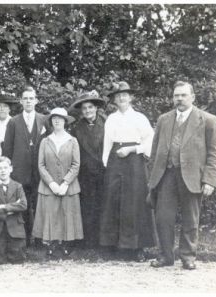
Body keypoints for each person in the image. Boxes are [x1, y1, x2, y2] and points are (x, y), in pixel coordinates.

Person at [148, 81, 216, 270]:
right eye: (176, 95)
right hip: (166, 175)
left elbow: (215, 153)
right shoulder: (164, 119)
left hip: (193, 176)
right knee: (163, 217)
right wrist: (152, 177)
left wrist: (210, 180)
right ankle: (165, 256)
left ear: (193, 97)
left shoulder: (207, 119)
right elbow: (155, 151)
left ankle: (188, 257)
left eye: (183, 95)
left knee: (191, 218)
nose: (179, 99)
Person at [99, 81, 155, 261]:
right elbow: (107, 144)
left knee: (135, 202)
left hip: (134, 162)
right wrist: (107, 164)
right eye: (118, 95)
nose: (121, 98)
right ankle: (114, 246)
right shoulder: (111, 119)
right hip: (115, 162)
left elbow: (150, 142)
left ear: (131, 97)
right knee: (113, 201)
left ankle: (137, 247)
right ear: (114, 99)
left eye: (125, 94)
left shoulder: (140, 118)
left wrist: (132, 150)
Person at [33, 107, 83, 256]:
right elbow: (41, 165)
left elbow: (76, 164)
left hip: (69, 186)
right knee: (51, 214)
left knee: (66, 214)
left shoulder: (72, 141)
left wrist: (66, 182)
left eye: (60, 118)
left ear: (65, 122)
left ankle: (66, 244)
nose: (57, 121)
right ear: (51, 122)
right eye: (54, 118)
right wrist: (52, 183)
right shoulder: (45, 141)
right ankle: (51, 244)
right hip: (49, 186)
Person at [3, 86, 48, 246]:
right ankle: (23, 238)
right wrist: (9, 170)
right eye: (25, 98)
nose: (28, 101)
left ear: (36, 100)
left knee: (39, 203)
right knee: (22, 204)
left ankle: (40, 238)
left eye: (31, 98)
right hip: (19, 171)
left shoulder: (44, 120)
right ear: (21, 101)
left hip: (39, 170)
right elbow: (7, 148)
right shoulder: (13, 122)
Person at [69, 90, 106, 248]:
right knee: (88, 206)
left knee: (104, 206)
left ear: (96, 108)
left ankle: (104, 242)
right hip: (85, 174)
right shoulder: (77, 128)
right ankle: (88, 242)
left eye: (90, 107)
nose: (87, 111)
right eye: (84, 109)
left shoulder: (107, 124)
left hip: (104, 172)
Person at [0, 157, 27, 264]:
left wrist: (3, 207)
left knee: (17, 260)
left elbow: (23, 205)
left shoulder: (18, 186)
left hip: (15, 228)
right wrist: (11, 209)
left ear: (11, 169)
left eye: (5, 168)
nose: (3, 171)